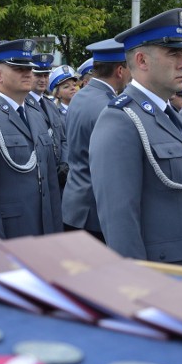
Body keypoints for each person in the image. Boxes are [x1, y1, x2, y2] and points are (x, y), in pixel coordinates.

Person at [90, 9, 182, 269]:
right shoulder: (121, 120)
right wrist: (138, 287)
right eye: (174, 54)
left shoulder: (170, 114)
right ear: (142, 60)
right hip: (163, 274)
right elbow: (120, 222)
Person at [0, 39, 63, 238]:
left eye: (28, 68)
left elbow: (49, 181)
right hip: (10, 231)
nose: (28, 73)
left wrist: (55, 232)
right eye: (18, 68)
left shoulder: (35, 114)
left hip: (44, 228)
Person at [61, 38, 130, 240]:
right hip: (94, 212)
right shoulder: (109, 106)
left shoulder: (82, 96)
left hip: (75, 205)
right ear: (120, 71)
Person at [28, 53, 69, 188]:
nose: (43, 80)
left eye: (46, 76)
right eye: (38, 75)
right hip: (38, 175)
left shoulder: (50, 104)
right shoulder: (24, 104)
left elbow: (63, 138)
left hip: (58, 174)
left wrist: (64, 163)